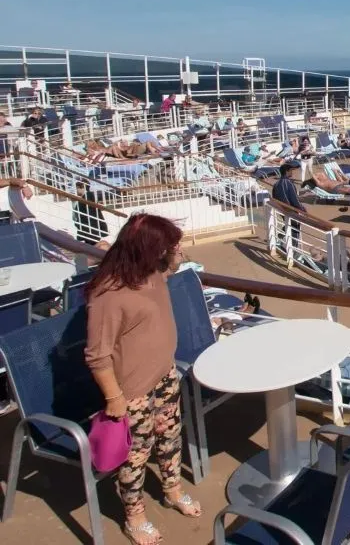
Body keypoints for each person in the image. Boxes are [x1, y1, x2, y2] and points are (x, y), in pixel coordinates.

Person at [84, 214, 201, 544]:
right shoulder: (108, 294)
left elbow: (171, 269)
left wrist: (176, 253)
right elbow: (97, 355)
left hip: (164, 373)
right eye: (165, 246)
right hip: (132, 389)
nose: (170, 251)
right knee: (137, 453)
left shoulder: (153, 272)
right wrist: (114, 398)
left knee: (170, 435)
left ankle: (172, 490)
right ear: (145, 249)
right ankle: (134, 516)